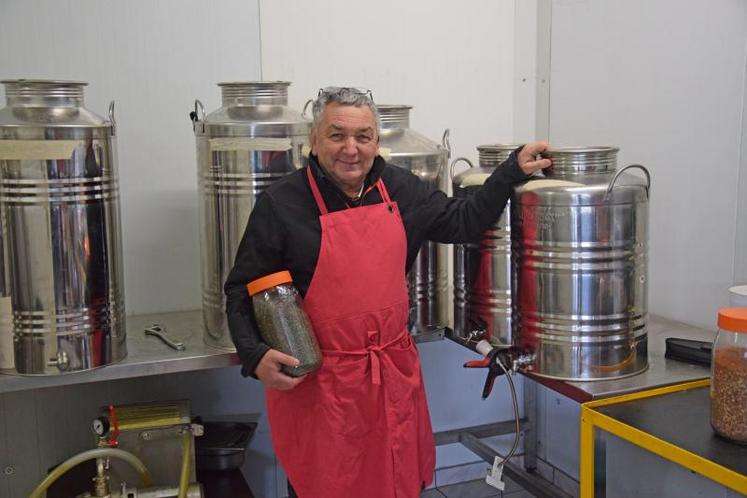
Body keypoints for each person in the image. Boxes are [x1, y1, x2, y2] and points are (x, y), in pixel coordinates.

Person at [224, 87, 552, 498]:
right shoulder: (282, 203)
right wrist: (254, 356)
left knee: (396, 484)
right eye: (336, 134)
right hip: (322, 389)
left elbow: (462, 222)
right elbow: (240, 289)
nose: (351, 149)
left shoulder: (398, 188)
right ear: (313, 140)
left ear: (377, 141)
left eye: (363, 137)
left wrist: (509, 172)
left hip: (391, 381)